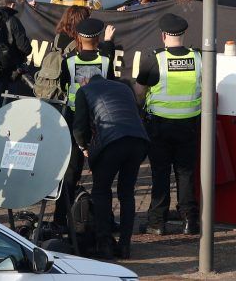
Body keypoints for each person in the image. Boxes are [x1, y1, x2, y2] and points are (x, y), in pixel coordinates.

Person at [135, 14, 201, 236]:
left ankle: (157, 222)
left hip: (160, 127)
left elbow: (139, 92)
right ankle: (190, 221)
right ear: (183, 34)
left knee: (160, 174)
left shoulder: (155, 59)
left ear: (163, 35)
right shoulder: (198, 57)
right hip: (189, 125)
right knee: (186, 174)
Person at [72, 76, 149, 260]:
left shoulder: (84, 91)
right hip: (138, 141)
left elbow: (79, 127)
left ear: (86, 81)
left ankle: (104, 244)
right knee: (127, 193)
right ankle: (124, 246)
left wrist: (84, 148)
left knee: (101, 192)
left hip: (111, 142)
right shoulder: (124, 88)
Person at [56, 17, 115, 230]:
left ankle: (60, 219)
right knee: (102, 176)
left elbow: (63, 85)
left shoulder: (69, 61)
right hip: (99, 121)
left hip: (75, 121)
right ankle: (104, 220)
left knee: (70, 173)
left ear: (79, 38)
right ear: (97, 38)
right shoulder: (106, 61)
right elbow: (111, 85)